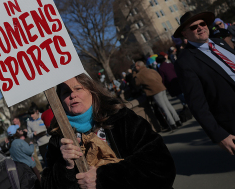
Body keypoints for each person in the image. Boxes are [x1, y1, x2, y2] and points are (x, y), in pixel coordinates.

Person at [41, 74, 176, 189]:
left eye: (78, 88)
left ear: (92, 91)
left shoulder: (121, 118)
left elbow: (162, 165)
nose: (72, 95)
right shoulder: (58, 140)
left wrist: (103, 178)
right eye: (65, 92)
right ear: (60, 102)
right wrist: (65, 167)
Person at [173, 11, 235, 155]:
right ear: (185, 34)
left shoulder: (220, 42)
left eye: (202, 23)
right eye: (194, 27)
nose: (200, 28)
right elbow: (197, 104)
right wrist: (220, 135)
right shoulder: (185, 62)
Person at [134, 61, 182, 129]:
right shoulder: (150, 70)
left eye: (136, 66)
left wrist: (134, 74)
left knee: (164, 108)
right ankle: (178, 120)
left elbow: (136, 84)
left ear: (139, 66)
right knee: (168, 105)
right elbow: (160, 77)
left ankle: (172, 124)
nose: (135, 68)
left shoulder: (139, 75)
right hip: (161, 88)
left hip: (154, 91)